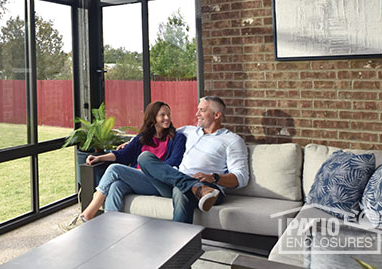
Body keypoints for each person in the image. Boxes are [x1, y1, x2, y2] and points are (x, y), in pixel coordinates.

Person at [64, 101, 186, 229]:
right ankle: (112, 228)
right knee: (116, 186)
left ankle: (89, 212)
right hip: (140, 180)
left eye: (168, 114)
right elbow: (123, 154)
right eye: (162, 115)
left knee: (114, 169)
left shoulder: (177, 138)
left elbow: (174, 162)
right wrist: (99, 157)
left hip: (159, 181)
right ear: (153, 117)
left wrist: (148, 168)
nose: (167, 118)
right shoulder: (142, 138)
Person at [130, 96, 249, 224]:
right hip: (175, 180)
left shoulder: (232, 141)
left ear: (216, 115)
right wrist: (131, 142)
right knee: (144, 157)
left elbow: (241, 177)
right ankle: (193, 187)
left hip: (209, 187)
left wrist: (214, 177)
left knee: (181, 190)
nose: (197, 114)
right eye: (198, 110)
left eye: (202, 110)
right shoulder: (188, 131)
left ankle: (180, 241)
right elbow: (158, 132)